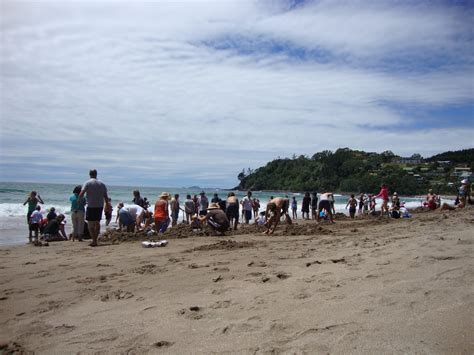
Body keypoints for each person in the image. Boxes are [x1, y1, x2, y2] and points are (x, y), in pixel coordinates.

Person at [79, 169, 109, 247]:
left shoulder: (87, 182)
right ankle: (95, 240)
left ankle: (94, 240)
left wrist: (78, 200)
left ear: (90, 174)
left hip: (91, 206)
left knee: (90, 225)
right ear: (96, 174)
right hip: (99, 206)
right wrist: (107, 205)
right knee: (97, 223)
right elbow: (106, 196)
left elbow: (82, 193)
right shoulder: (102, 184)